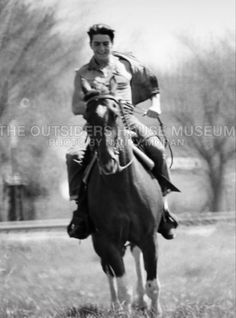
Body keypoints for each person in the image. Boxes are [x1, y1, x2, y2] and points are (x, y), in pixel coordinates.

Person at [66, 23, 179, 240]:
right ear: (91, 45)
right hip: (96, 125)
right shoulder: (82, 73)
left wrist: (156, 105)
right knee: (73, 156)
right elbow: (75, 107)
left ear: (112, 44)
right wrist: (99, 103)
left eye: (105, 44)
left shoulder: (126, 66)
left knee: (157, 148)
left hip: (128, 121)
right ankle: (81, 212)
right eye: (97, 44)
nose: (101, 48)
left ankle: (163, 210)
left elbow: (153, 84)